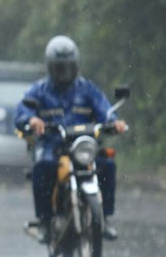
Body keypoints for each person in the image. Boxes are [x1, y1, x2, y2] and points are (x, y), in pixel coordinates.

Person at [14, 35, 128, 241]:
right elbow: (22, 111)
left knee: (107, 164)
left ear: (76, 66)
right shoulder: (39, 90)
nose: (64, 72)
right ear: (51, 67)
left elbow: (105, 110)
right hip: (52, 145)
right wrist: (32, 121)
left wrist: (115, 122)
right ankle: (44, 221)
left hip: (83, 145)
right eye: (60, 68)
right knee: (43, 166)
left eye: (68, 67)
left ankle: (105, 218)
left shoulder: (88, 89)